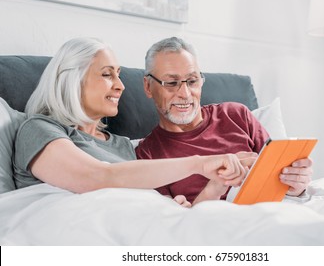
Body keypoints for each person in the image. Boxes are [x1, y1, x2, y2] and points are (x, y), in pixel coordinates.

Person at [13, 37, 255, 201]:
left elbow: (149, 197)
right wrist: (199, 163)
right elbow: (98, 177)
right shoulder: (38, 129)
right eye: (107, 75)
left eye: (118, 75)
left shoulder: (123, 145)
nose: (120, 86)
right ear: (71, 80)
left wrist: (178, 203)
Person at [136, 36, 313, 206]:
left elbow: (281, 180)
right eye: (171, 83)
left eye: (192, 81)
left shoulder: (236, 115)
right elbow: (176, 223)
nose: (185, 94)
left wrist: (296, 185)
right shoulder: (148, 155)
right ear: (148, 86)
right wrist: (217, 184)